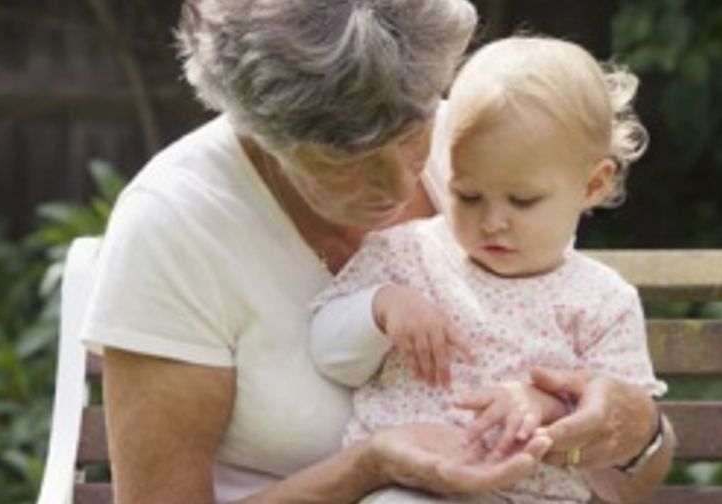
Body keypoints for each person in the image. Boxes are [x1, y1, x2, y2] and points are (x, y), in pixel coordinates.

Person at [77, 0, 673, 501]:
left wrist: (631, 427)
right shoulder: (176, 224)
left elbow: (629, 466)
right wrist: (368, 466)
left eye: (412, 133)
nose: (399, 186)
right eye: (344, 162)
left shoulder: (483, 150)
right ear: (259, 134)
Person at [310, 36, 674, 503]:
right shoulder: (406, 255)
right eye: (468, 194)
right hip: (408, 484)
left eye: (522, 200)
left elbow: (613, 422)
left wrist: (544, 406)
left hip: (533, 495)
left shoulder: (603, 302)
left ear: (593, 185)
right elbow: (327, 353)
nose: (492, 221)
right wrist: (379, 309)